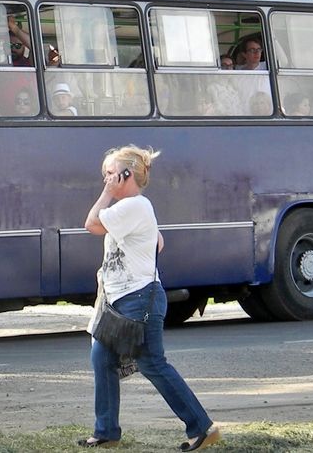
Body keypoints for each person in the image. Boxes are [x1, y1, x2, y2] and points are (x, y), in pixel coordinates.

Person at [81, 145, 220, 450]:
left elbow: (91, 223)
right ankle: (106, 432)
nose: (105, 180)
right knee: (101, 358)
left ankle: (201, 427)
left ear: (126, 174)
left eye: (110, 174)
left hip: (138, 299)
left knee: (152, 363)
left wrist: (106, 194)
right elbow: (157, 242)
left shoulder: (134, 205)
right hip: (119, 301)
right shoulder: (135, 209)